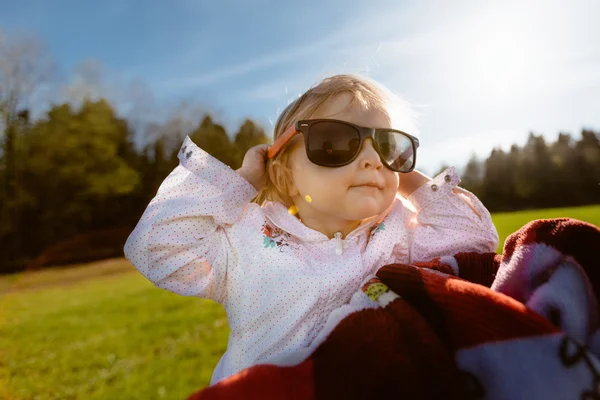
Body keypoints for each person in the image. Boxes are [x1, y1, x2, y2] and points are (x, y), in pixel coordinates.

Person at [123, 74, 499, 385]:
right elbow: (154, 247)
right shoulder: (246, 240)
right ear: (284, 174)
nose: (372, 160)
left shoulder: (400, 233)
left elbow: (475, 243)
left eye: (387, 145)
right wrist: (242, 181)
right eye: (334, 142)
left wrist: (404, 177)